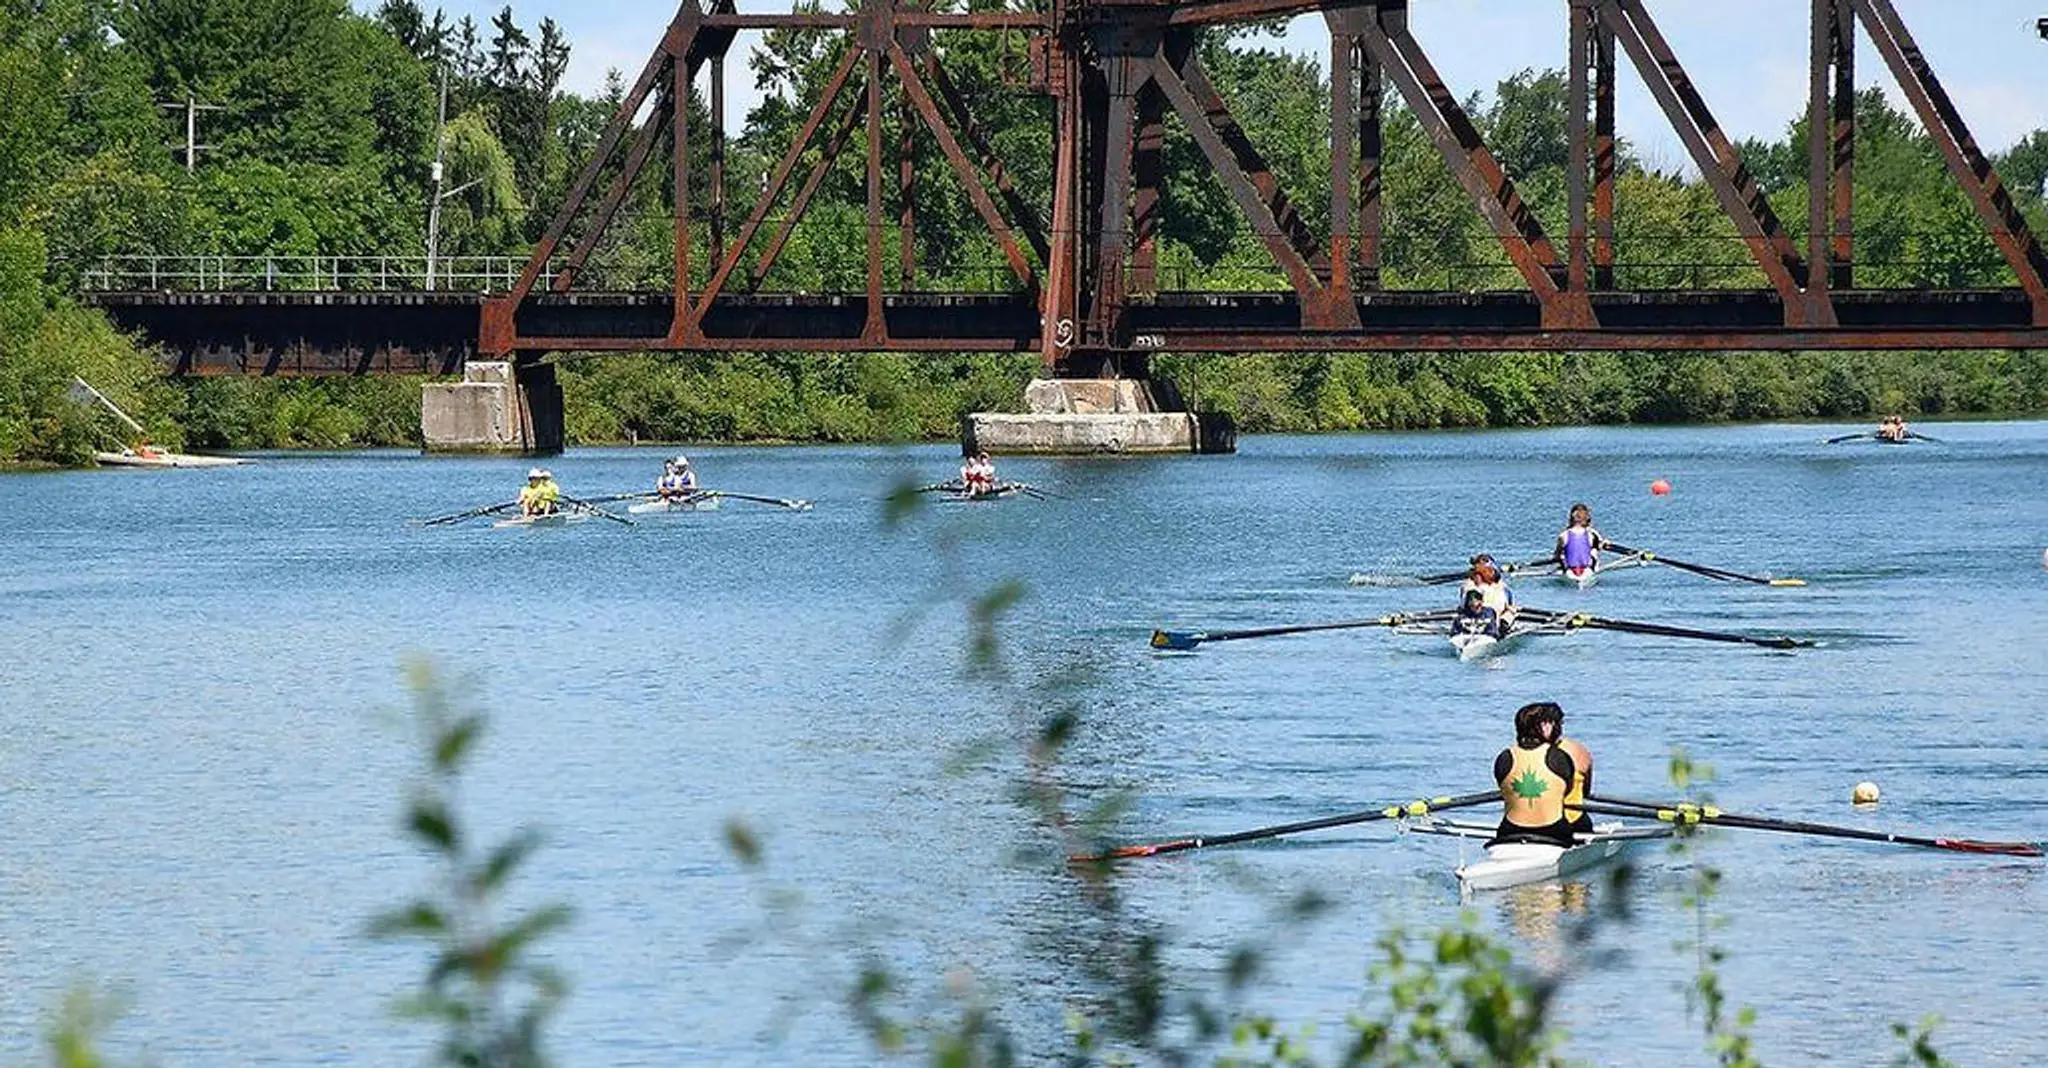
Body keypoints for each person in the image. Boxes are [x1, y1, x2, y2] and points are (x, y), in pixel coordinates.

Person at [1492, 701, 1593, 847]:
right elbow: (1566, 791)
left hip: (1509, 832)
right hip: (1554, 832)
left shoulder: (1504, 757)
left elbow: (1504, 789)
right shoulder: (1560, 757)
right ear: (1546, 726)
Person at [1460, 554, 1518, 630]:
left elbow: (1463, 605)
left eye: (1491, 570)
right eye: (1488, 570)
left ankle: (1503, 624)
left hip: (1486, 620)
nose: (1492, 572)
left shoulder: (1467, 585)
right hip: (1482, 619)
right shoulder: (1469, 586)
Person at [1553, 503, 1606, 578]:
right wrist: (1603, 544)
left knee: (1562, 556)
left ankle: (1565, 569)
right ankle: (1593, 568)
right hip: (1587, 570)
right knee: (1593, 552)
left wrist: (1558, 556)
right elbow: (1599, 546)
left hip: (1570, 571)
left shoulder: (1563, 535)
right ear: (1586, 518)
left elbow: (1556, 555)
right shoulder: (1591, 534)